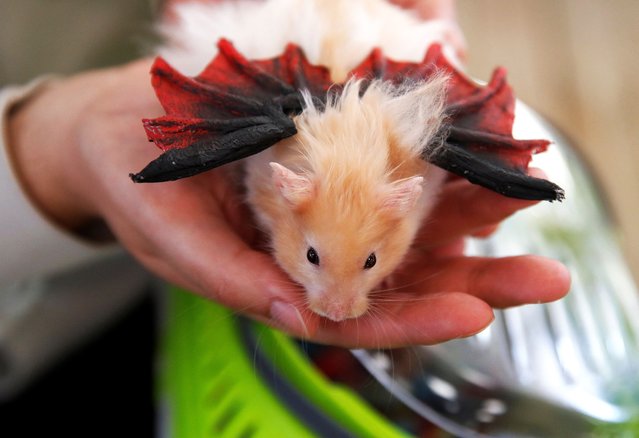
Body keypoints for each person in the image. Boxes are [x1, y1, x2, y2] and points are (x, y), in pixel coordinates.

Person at [1, 0, 569, 360]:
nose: (340, 306)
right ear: (288, 193)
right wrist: (55, 141)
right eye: (316, 259)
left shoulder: (409, 182)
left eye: (369, 262)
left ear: (405, 202)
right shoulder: (276, 164)